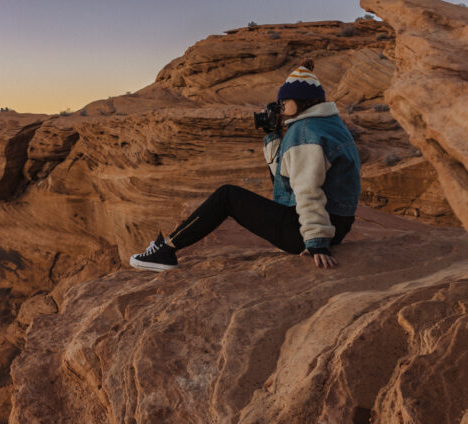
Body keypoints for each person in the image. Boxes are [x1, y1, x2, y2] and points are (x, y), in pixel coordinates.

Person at [130, 60, 361, 271]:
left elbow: (308, 191)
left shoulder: (303, 133)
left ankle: (166, 250)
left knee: (227, 196)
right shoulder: (329, 124)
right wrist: (273, 134)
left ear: (300, 101)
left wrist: (316, 243)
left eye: (284, 102)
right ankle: (166, 248)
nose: (280, 108)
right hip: (337, 225)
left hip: (305, 231)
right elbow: (284, 173)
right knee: (231, 196)